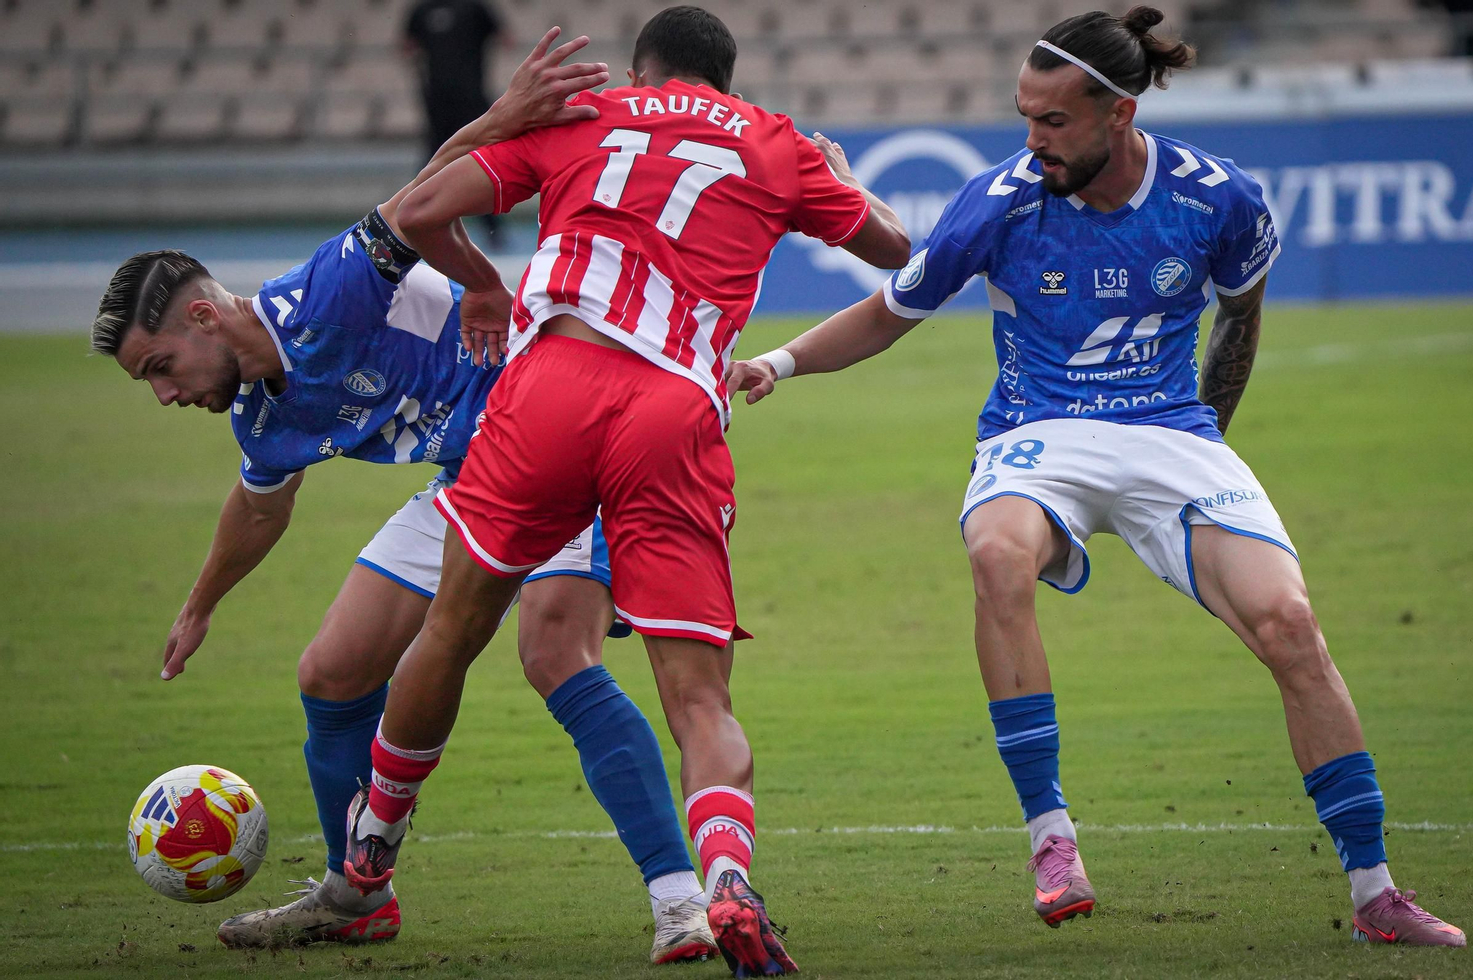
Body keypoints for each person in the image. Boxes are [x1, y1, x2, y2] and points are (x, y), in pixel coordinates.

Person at [727, 6, 1467, 949]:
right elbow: (890, 308)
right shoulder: (999, 199)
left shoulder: (1217, 198)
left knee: (1291, 625)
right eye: (1025, 117)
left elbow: (1241, 319)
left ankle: (1375, 895)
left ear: (1117, 112)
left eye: (1053, 122)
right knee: (997, 555)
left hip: (1170, 433)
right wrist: (778, 365)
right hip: (1040, 432)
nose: (1031, 140)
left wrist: (1204, 452)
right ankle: (1051, 838)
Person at [91, 32, 719, 965]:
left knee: (554, 650)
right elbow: (261, 506)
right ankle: (359, 893)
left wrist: (504, 123)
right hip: (471, 482)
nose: (166, 394)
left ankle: (682, 902)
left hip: (558, 438)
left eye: (160, 368)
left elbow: (421, 196)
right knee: (333, 671)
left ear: (200, 317)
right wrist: (199, 605)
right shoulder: (260, 418)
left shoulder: (323, 295)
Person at [338, 7, 910, 975]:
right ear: (723, 84)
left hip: (550, 385)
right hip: (675, 408)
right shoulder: (773, 142)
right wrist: (847, 184)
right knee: (698, 695)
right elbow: (896, 252)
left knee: (453, 625)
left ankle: (374, 839)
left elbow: (421, 207)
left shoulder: (585, 116)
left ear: (644, 69)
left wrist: (480, 279)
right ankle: (725, 876)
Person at [404, 0, 511, 248]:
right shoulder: (423, 10)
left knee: (479, 158)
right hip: (437, 101)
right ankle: (416, 220)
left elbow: (505, 37)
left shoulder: (474, 7)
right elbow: (407, 44)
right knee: (434, 160)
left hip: (471, 98)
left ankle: (492, 227)